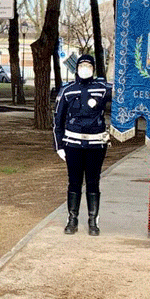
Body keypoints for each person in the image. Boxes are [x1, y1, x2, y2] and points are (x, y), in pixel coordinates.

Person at [53, 55, 112, 236]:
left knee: (93, 182)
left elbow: (124, 95)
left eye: (88, 65)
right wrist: (59, 146)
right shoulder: (67, 90)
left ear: (93, 68)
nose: (85, 68)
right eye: (82, 65)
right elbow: (58, 120)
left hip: (96, 144)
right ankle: (72, 220)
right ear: (77, 68)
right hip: (73, 145)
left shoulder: (102, 88)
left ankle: (93, 222)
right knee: (74, 182)